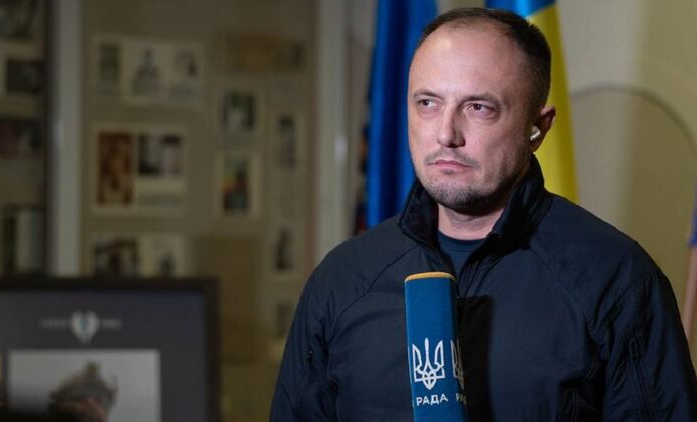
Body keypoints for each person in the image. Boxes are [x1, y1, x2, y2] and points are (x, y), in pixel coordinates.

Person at [271, 7, 697, 421]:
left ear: (538, 128)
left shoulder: (616, 279)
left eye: (478, 107)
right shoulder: (342, 279)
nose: (446, 134)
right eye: (427, 103)